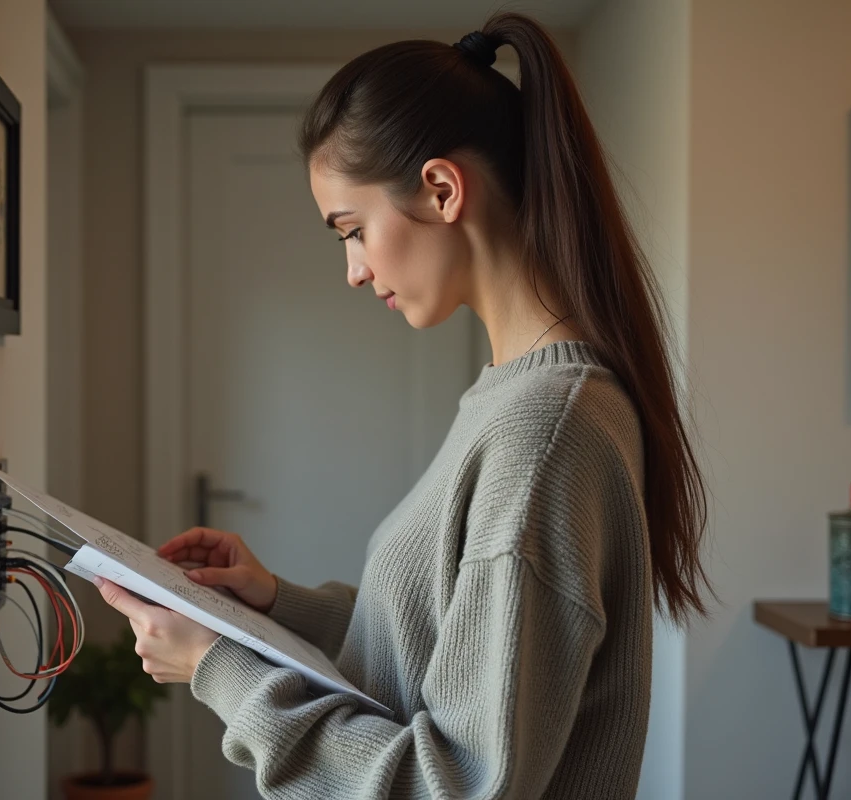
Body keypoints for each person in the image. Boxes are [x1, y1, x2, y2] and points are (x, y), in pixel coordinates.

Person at [93, 11, 712, 799]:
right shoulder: (522, 402)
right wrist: (275, 605)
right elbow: (442, 648)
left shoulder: (543, 435)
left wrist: (220, 669)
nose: (353, 270)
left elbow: (455, 783)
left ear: (442, 189)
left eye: (352, 230)